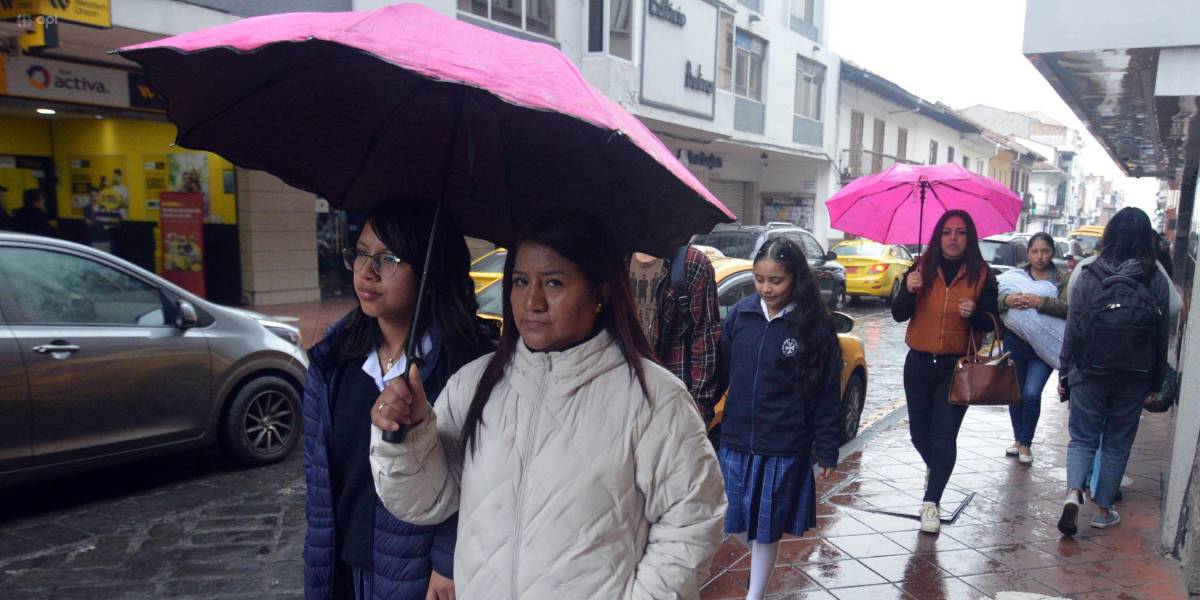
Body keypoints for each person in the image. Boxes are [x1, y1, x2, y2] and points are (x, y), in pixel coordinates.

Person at [369, 212, 726, 599]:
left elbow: (692, 521)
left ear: (600, 293)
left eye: (553, 282)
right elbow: (426, 502)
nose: (532, 301)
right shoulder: (474, 385)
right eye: (521, 282)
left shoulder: (655, 399)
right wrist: (406, 437)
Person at [303, 202, 496, 600]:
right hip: (344, 566)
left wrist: (449, 560)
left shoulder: (467, 366)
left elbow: (482, 479)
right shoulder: (334, 361)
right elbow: (319, 482)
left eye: (388, 259)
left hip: (419, 573)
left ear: (430, 269)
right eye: (359, 253)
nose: (366, 272)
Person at [715, 237, 841, 600]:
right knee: (731, 517)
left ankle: (755, 595)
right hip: (737, 439)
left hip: (784, 444)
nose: (766, 288)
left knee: (766, 527)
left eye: (776, 280)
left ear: (796, 279)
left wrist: (827, 448)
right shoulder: (741, 315)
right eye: (759, 279)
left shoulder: (812, 326)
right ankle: (759, 562)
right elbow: (722, 371)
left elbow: (826, 391)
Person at [1058, 208, 1171, 535]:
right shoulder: (1156, 276)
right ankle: (1103, 510)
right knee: (1117, 443)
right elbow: (1162, 333)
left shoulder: (1087, 270)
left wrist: (1065, 372)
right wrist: (1155, 378)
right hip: (1134, 376)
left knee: (1081, 439)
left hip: (1087, 372)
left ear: (1109, 235)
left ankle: (1072, 493)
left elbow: (1073, 328)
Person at [891, 209, 999, 534]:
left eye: (961, 232)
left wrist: (975, 314)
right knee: (918, 434)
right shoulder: (920, 268)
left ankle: (931, 502)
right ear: (938, 236)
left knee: (944, 436)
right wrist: (908, 290)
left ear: (969, 237)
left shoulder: (981, 274)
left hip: (957, 367)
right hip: (919, 364)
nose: (953, 238)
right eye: (947, 232)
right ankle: (937, 470)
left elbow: (993, 322)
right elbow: (898, 315)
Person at [628, 247, 722, 423]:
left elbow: (705, 341)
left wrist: (697, 412)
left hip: (671, 401)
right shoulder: (618, 260)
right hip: (625, 399)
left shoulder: (692, 263)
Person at [998, 232, 1068, 465]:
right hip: (1015, 342)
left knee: (1031, 393)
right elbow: (994, 298)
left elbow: (1068, 308)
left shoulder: (1061, 279)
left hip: (1043, 346)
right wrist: (1006, 301)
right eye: (1035, 251)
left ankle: (1026, 442)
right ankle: (1018, 440)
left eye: (1045, 251)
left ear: (1052, 252)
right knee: (1015, 393)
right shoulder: (1016, 275)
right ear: (1028, 253)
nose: (1040, 256)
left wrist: (1040, 302)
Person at [83, 186, 120, 253]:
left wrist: (98, 221)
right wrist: (102, 221)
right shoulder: (86, 209)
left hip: (105, 239)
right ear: (90, 197)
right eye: (92, 196)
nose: (94, 198)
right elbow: (88, 224)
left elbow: (113, 222)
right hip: (93, 239)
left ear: (99, 196)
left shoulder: (105, 208)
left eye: (96, 196)